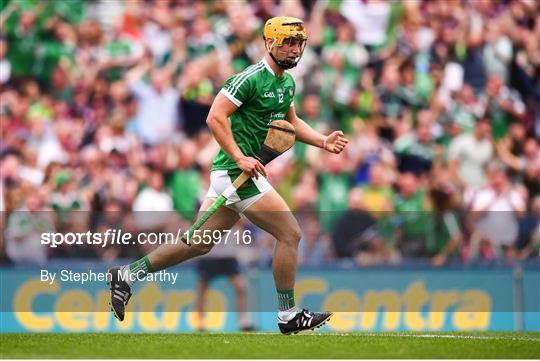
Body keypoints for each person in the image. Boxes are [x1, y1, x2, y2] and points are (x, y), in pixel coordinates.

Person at [108, 17, 348, 335]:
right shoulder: (248, 79)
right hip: (236, 170)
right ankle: (288, 314)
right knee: (290, 234)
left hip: (240, 173)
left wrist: (321, 140)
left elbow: (290, 123)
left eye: (297, 43)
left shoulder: (287, 83)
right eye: (287, 42)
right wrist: (240, 157)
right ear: (270, 43)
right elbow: (214, 116)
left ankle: (127, 274)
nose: (293, 50)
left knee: (197, 244)